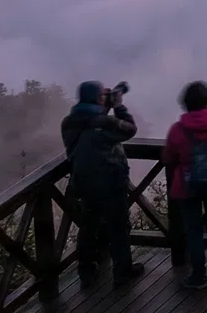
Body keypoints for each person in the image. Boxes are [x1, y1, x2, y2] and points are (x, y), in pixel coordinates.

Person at [60, 81, 142, 289]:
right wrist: (118, 105)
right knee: (118, 227)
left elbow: (90, 123)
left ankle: (86, 272)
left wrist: (104, 105)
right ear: (99, 99)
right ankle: (122, 273)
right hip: (111, 182)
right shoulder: (105, 122)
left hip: (83, 183)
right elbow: (130, 129)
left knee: (88, 227)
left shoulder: (68, 122)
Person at [162, 81, 207, 289]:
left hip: (188, 185)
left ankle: (198, 276)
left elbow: (168, 157)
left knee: (193, 231)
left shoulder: (177, 129)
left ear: (186, 103)